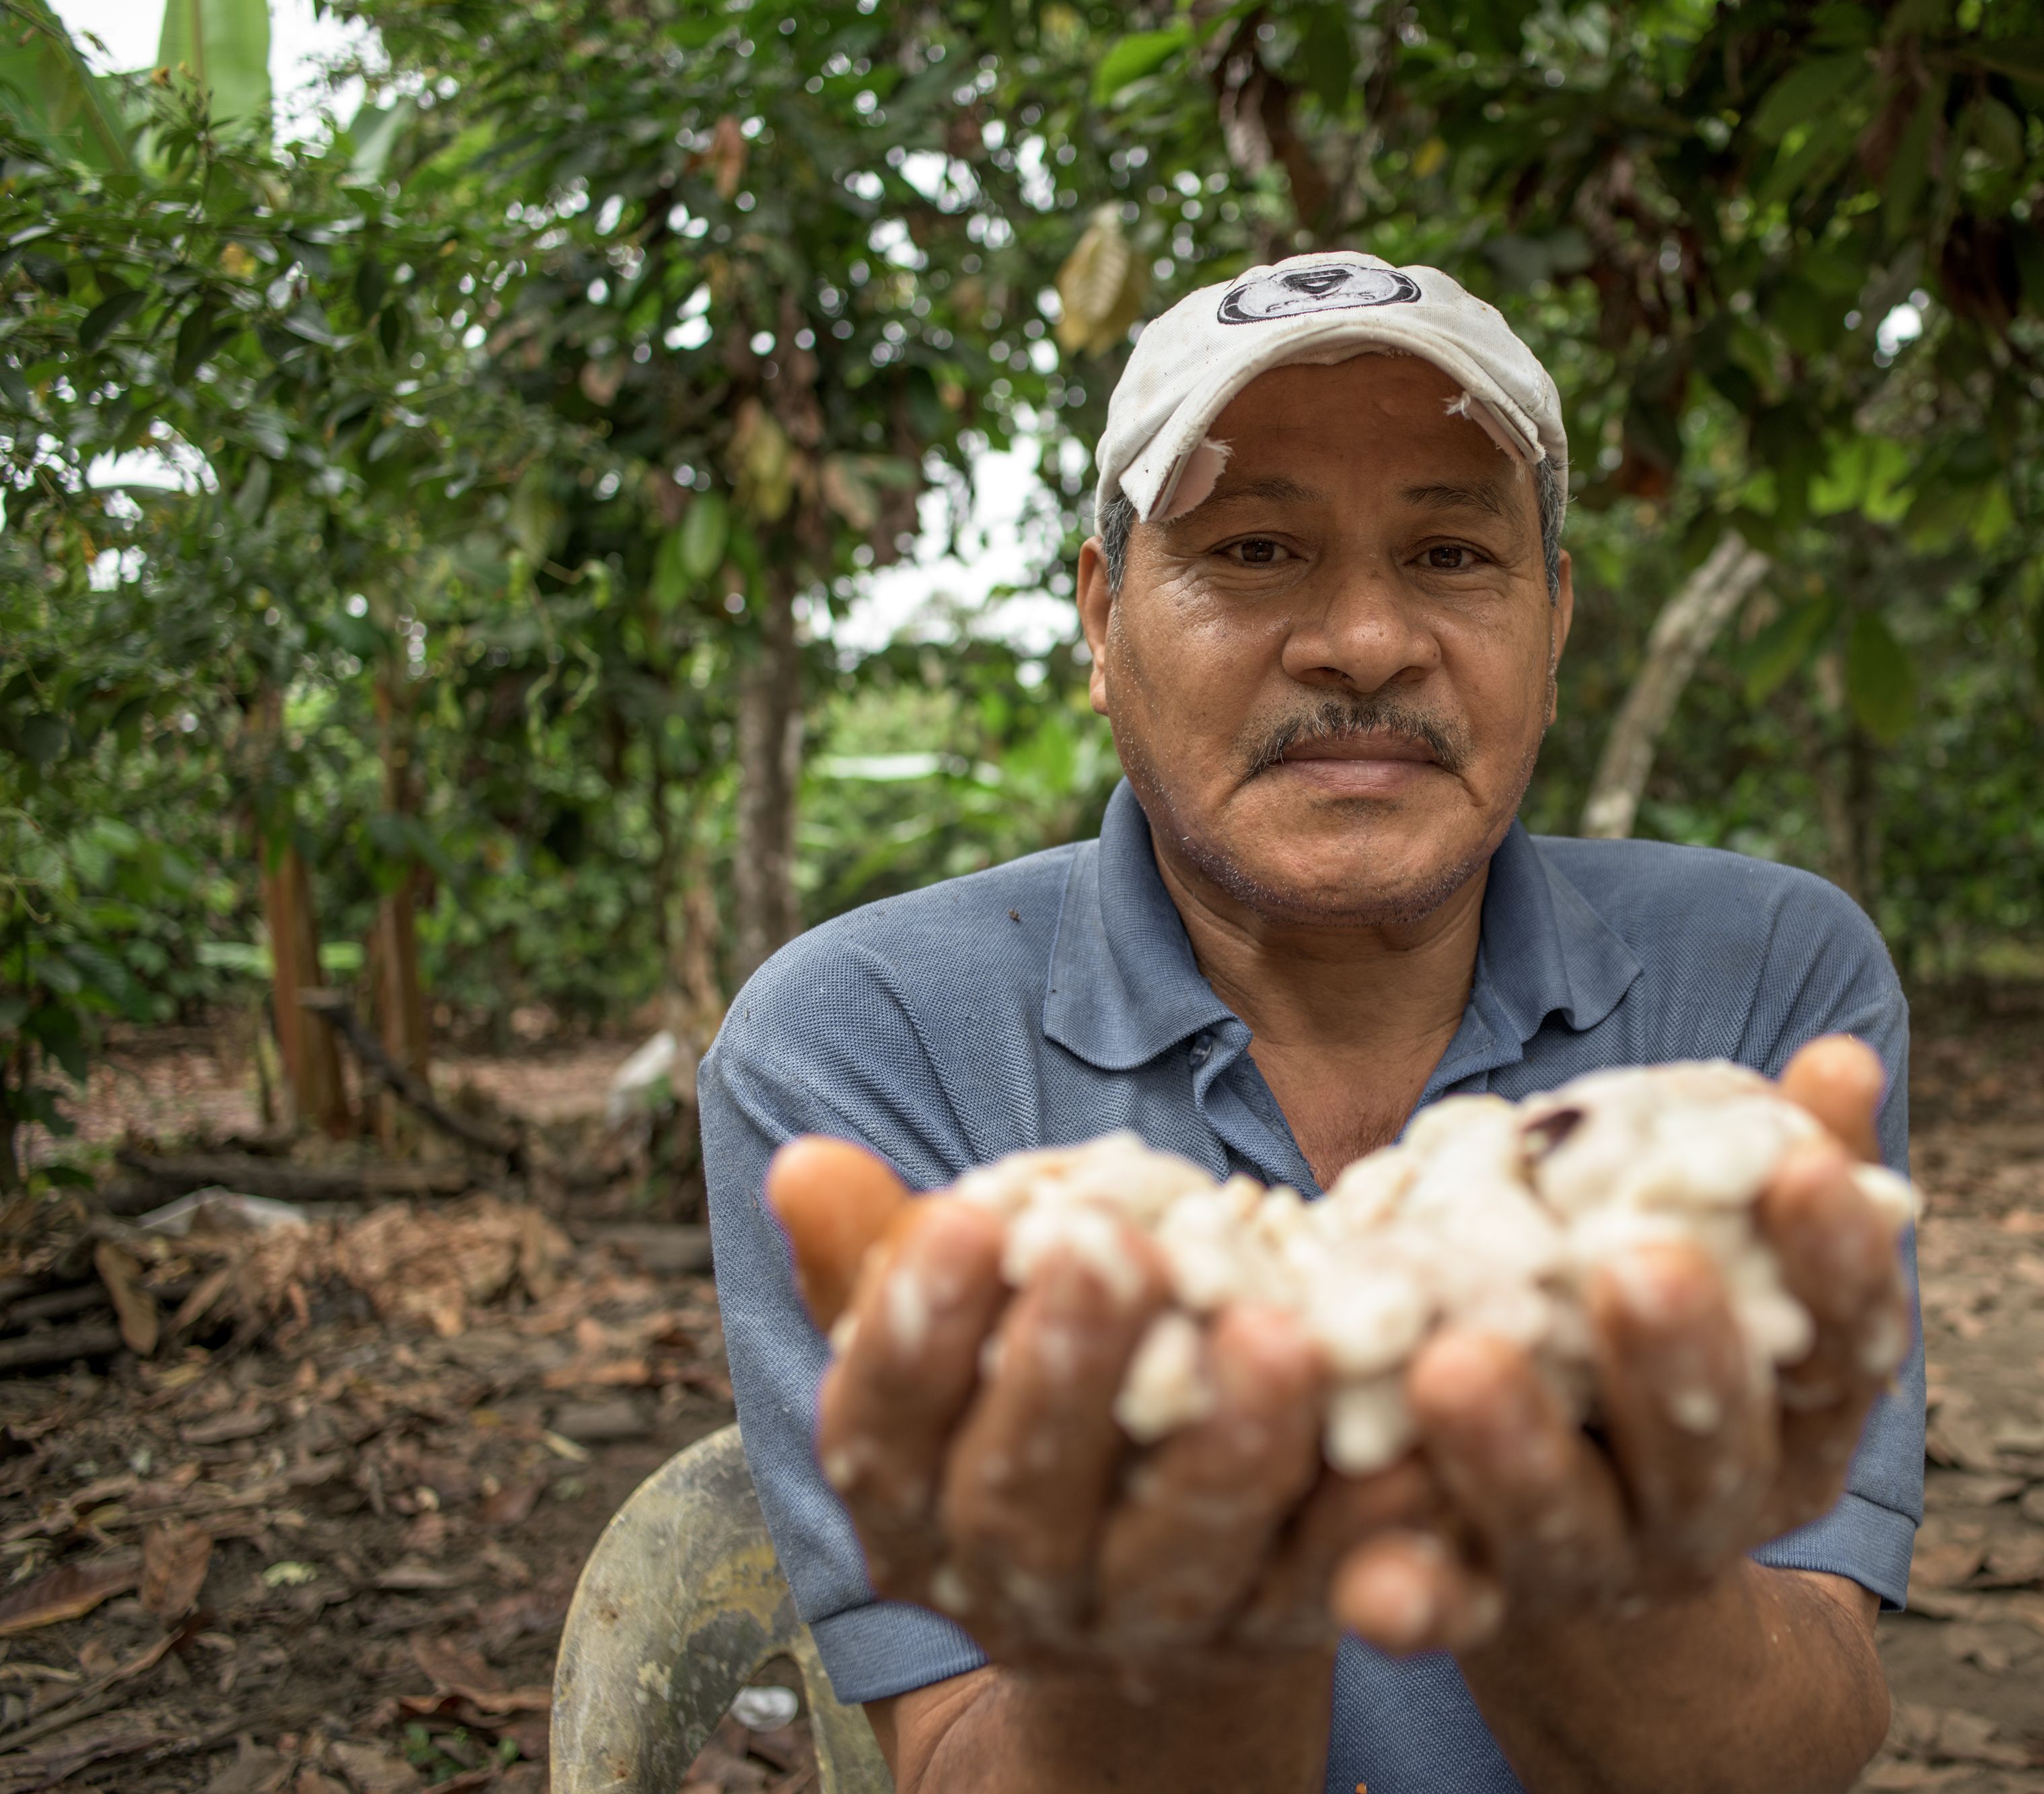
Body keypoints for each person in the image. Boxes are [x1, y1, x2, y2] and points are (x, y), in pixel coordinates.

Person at [702, 249, 1924, 1794]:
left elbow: (1799, 1731)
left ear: (1551, 619)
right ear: (1101, 618)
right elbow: (955, 1759)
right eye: (1257, 546)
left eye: (1450, 556)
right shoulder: (860, 1041)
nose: (1361, 638)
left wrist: (1597, 1545)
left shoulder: (1757, 984)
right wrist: (1182, 1602)